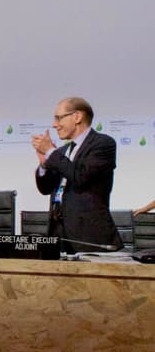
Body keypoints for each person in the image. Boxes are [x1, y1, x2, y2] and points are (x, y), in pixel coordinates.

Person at [32, 97, 123, 253]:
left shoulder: (102, 144)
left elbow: (80, 177)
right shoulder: (61, 152)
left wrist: (50, 152)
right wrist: (44, 164)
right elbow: (45, 188)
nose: (55, 124)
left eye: (59, 118)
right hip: (58, 234)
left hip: (88, 235)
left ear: (77, 117)